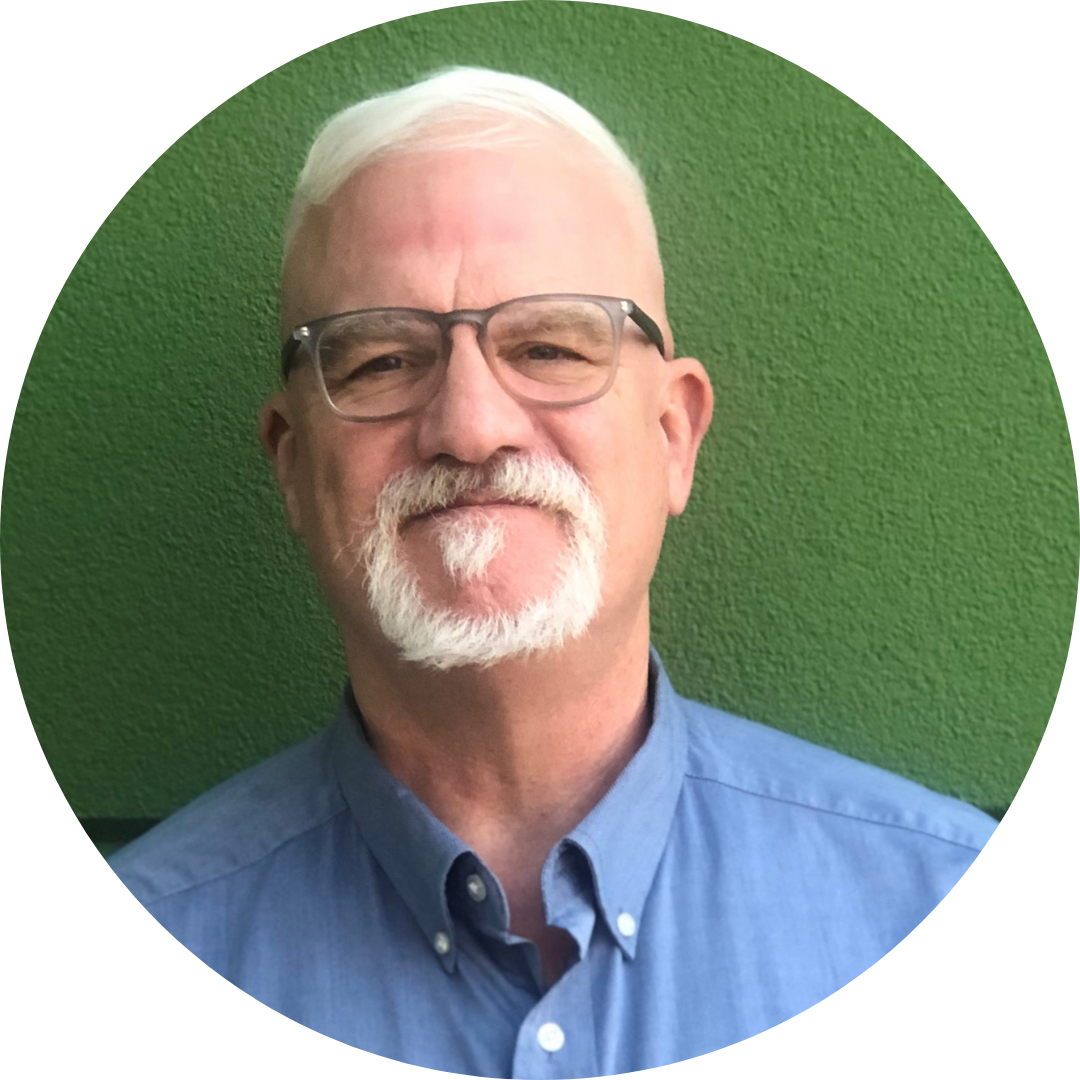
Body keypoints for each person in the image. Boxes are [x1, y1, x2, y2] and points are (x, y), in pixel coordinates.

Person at [107, 66, 998, 1069]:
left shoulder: (923, 895)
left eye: (549, 348)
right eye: (381, 361)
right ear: (293, 467)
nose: (471, 427)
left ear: (673, 436)